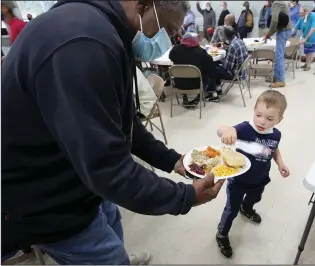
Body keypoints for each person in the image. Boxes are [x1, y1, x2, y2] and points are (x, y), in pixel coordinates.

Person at [1, 1, 226, 265]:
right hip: (43, 195)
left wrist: (174, 160)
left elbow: (123, 122)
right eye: (165, 28)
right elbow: (108, 170)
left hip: (79, 176)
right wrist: (186, 196)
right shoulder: (84, 45)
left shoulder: (109, 30)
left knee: (110, 217)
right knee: (105, 255)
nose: (166, 40)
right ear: (143, 5)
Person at [215, 90, 290, 258]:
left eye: (269, 118)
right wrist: (227, 131)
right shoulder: (245, 128)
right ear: (254, 110)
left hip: (260, 178)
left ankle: (247, 208)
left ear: (279, 120)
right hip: (238, 181)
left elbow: (274, 149)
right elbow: (222, 130)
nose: (262, 121)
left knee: (254, 198)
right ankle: (221, 234)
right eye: (258, 115)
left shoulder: (276, 134)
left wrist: (280, 163)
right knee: (230, 210)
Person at [169, 33, 217, 105]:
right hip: (196, 84)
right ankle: (203, 95)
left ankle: (185, 97)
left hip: (179, 83)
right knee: (208, 71)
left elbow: (171, 57)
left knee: (181, 70)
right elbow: (209, 61)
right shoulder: (200, 51)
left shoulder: (175, 49)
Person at [262, 1, 292, 88]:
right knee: (278, 55)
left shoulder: (276, 3)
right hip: (285, 30)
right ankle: (276, 76)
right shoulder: (279, 2)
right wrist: (269, 34)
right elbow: (279, 20)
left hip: (284, 31)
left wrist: (268, 34)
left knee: (279, 56)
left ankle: (281, 80)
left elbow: (274, 21)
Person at [215, 27, 248, 102]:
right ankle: (218, 88)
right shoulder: (240, 41)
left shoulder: (232, 46)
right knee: (216, 64)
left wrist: (220, 60)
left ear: (226, 36)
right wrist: (228, 49)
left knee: (212, 67)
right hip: (242, 71)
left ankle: (215, 91)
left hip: (235, 74)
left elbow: (227, 67)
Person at [293, 6, 315, 71]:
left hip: (314, 36)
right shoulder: (302, 18)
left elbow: (313, 28)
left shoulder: (314, 15)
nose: (300, 15)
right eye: (299, 13)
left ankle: (308, 65)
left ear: (306, 12)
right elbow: (295, 27)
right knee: (306, 51)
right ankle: (306, 63)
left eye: (301, 13)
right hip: (306, 36)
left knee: (311, 51)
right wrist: (288, 34)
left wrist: (306, 38)